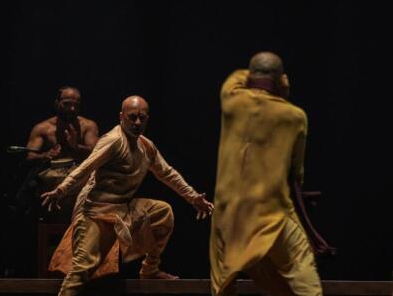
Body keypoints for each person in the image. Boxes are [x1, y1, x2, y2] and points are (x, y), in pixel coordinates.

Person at [42, 96, 214, 296]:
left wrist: (194, 198)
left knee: (162, 212)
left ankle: (150, 269)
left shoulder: (146, 146)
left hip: (123, 210)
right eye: (132, 118)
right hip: (96, 212)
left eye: (142, 118)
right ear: (121, 117)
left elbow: (167, 173)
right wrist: (61, 190)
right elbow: (86, 167)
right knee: (82, 269)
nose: (137, 123)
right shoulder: (114, 141)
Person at [209, 52, 323, 296]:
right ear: (280, 80)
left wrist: (256, 75)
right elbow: (296, 173)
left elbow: (238, 76)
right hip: (271, 216)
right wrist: (283, 85)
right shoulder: (294, 117)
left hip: (230, 219)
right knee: (302, 271)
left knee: (224, 283)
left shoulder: (231, 98)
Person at [16, 86, 99, 220]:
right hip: (50, 179)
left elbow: (97, 154)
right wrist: (45, 155)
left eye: (76, 105)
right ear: (57, 103)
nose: (72, 109)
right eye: (67, 104)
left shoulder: (88, 126)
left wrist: (75, 146)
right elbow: (29, 157)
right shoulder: (43, 128)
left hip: (80, 178)